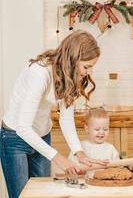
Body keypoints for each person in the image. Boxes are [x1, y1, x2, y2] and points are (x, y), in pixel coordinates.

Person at [0, 30, 108, 198]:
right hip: (15, 138)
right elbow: (23, 128)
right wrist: (59, 158)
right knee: (21, 195)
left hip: (42, 136)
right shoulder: (40, 73)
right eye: (86, 67)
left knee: (43, 194)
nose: (88, 73)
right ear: (72, 59)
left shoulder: (68, 76)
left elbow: (66, 118)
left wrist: (79, 152)